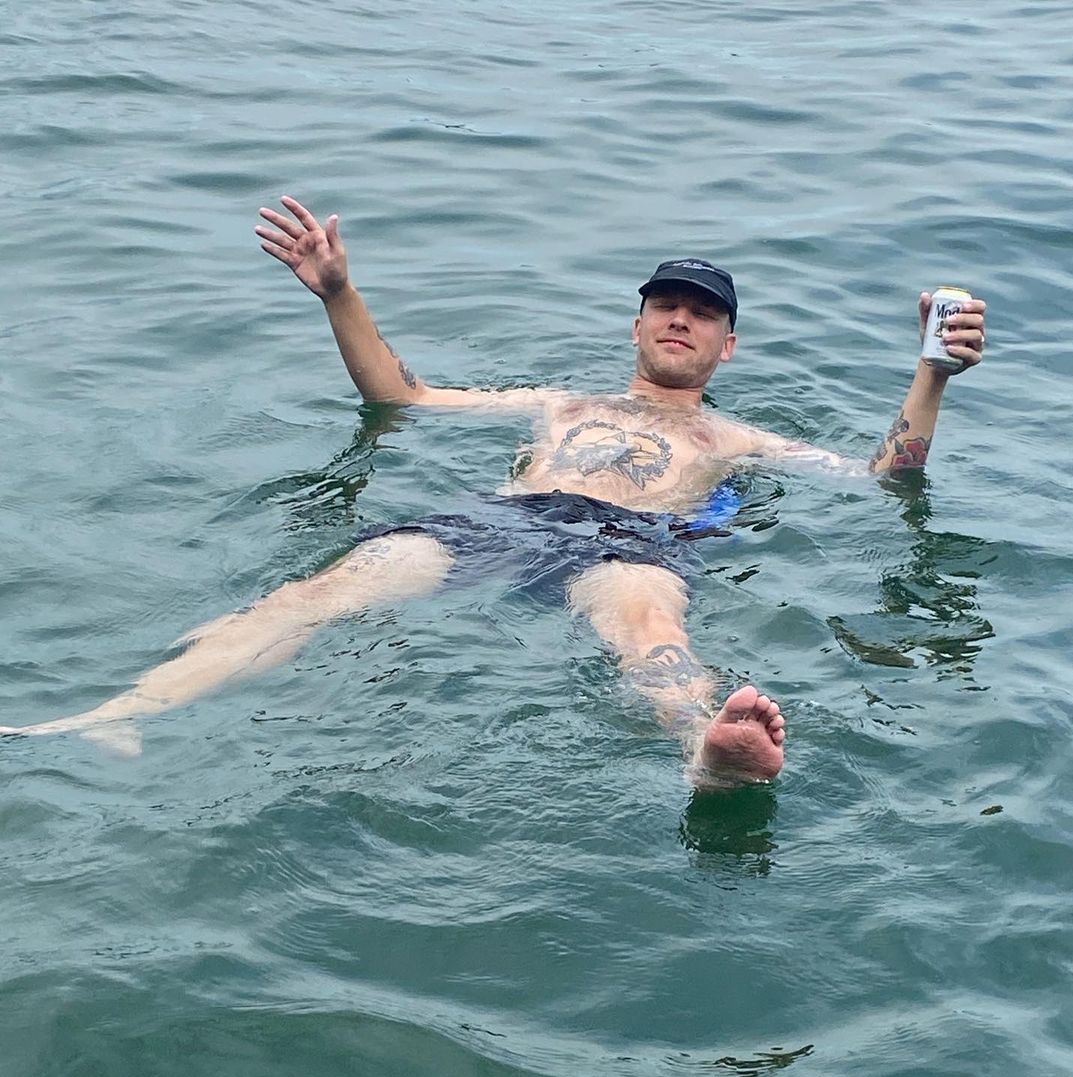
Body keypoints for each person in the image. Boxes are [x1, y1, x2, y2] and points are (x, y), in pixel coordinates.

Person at [0, 197, 986, 784]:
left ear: (729, 345)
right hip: (498, 523)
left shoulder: (737, 438)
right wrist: (339, 292)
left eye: (702, 313)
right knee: (323, 590)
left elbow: (884, 480)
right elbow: (404, 398)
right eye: (665, 305)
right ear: (638, 324)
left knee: (650, 626)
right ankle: (121, 712)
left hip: (630, 541)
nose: (680, 320)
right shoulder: (556, 404)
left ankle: (707, 752)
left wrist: (931, 375)